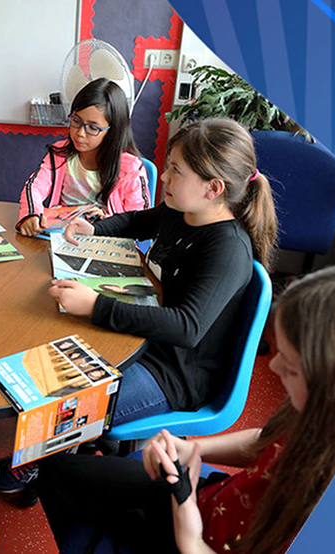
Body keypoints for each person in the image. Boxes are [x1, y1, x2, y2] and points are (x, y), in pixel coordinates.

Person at [35, 261, 335, 553]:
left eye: (289, 367)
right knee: (59, 473)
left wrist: (189, 532)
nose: (272, 369)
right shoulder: (320, 415)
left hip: (196, 538)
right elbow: (266, 441)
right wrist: (192, 447)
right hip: (209, 507)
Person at [48, 118, 278, 427]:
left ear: (213, 188)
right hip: (145, 337)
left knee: (61, 409)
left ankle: (38, 464)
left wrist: (96, 306)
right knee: (50, 365)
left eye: (176, 171)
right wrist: (95, 228)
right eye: (168, 167)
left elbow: (186, 327)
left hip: (171, 373)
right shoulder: (182, 211)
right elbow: (136, 222)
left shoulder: (228, 249)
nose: (165, 178)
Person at [17, 78, 149, 236]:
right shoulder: (59, 154)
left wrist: (106, 222)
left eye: (93, 127)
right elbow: (35, 187)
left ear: (113, 131)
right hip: (61, 235)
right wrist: (31, 213)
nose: (80, 133)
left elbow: (137, 219)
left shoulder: (130, 169)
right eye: (76, 121)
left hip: (104, 238)